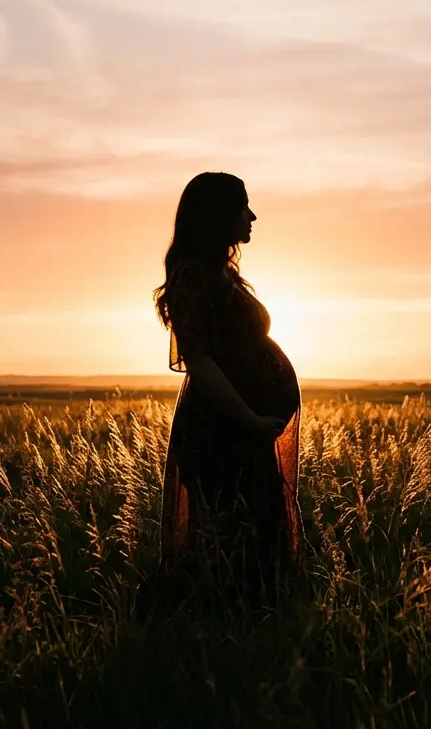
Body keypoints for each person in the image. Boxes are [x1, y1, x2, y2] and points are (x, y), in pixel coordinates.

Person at [153, 172, 302, 599]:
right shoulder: (191, 277)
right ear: (220, 214)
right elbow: (199, 363)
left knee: (258, 540)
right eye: (243, 207)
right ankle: (222, 640)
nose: (252, 216)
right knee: (228, 547)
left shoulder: (221, 274)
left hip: (244, 430)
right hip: (222, 432)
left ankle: (254, 633)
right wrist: (251, 419)